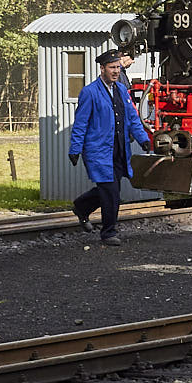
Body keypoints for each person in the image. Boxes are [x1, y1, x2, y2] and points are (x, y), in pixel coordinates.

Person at [68, 46, 149, 245]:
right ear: (102, 69)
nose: (115, 71)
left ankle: (81, 207)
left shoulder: (122, 90)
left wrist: (143, 138)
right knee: (111, 191)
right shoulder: (89, 92)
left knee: (109, 189)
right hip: (99, 151)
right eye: (111, 67)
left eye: (118, 68)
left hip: (120, 149)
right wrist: (75, 149)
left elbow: (132, 118)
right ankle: (109, 233)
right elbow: (81, 123)